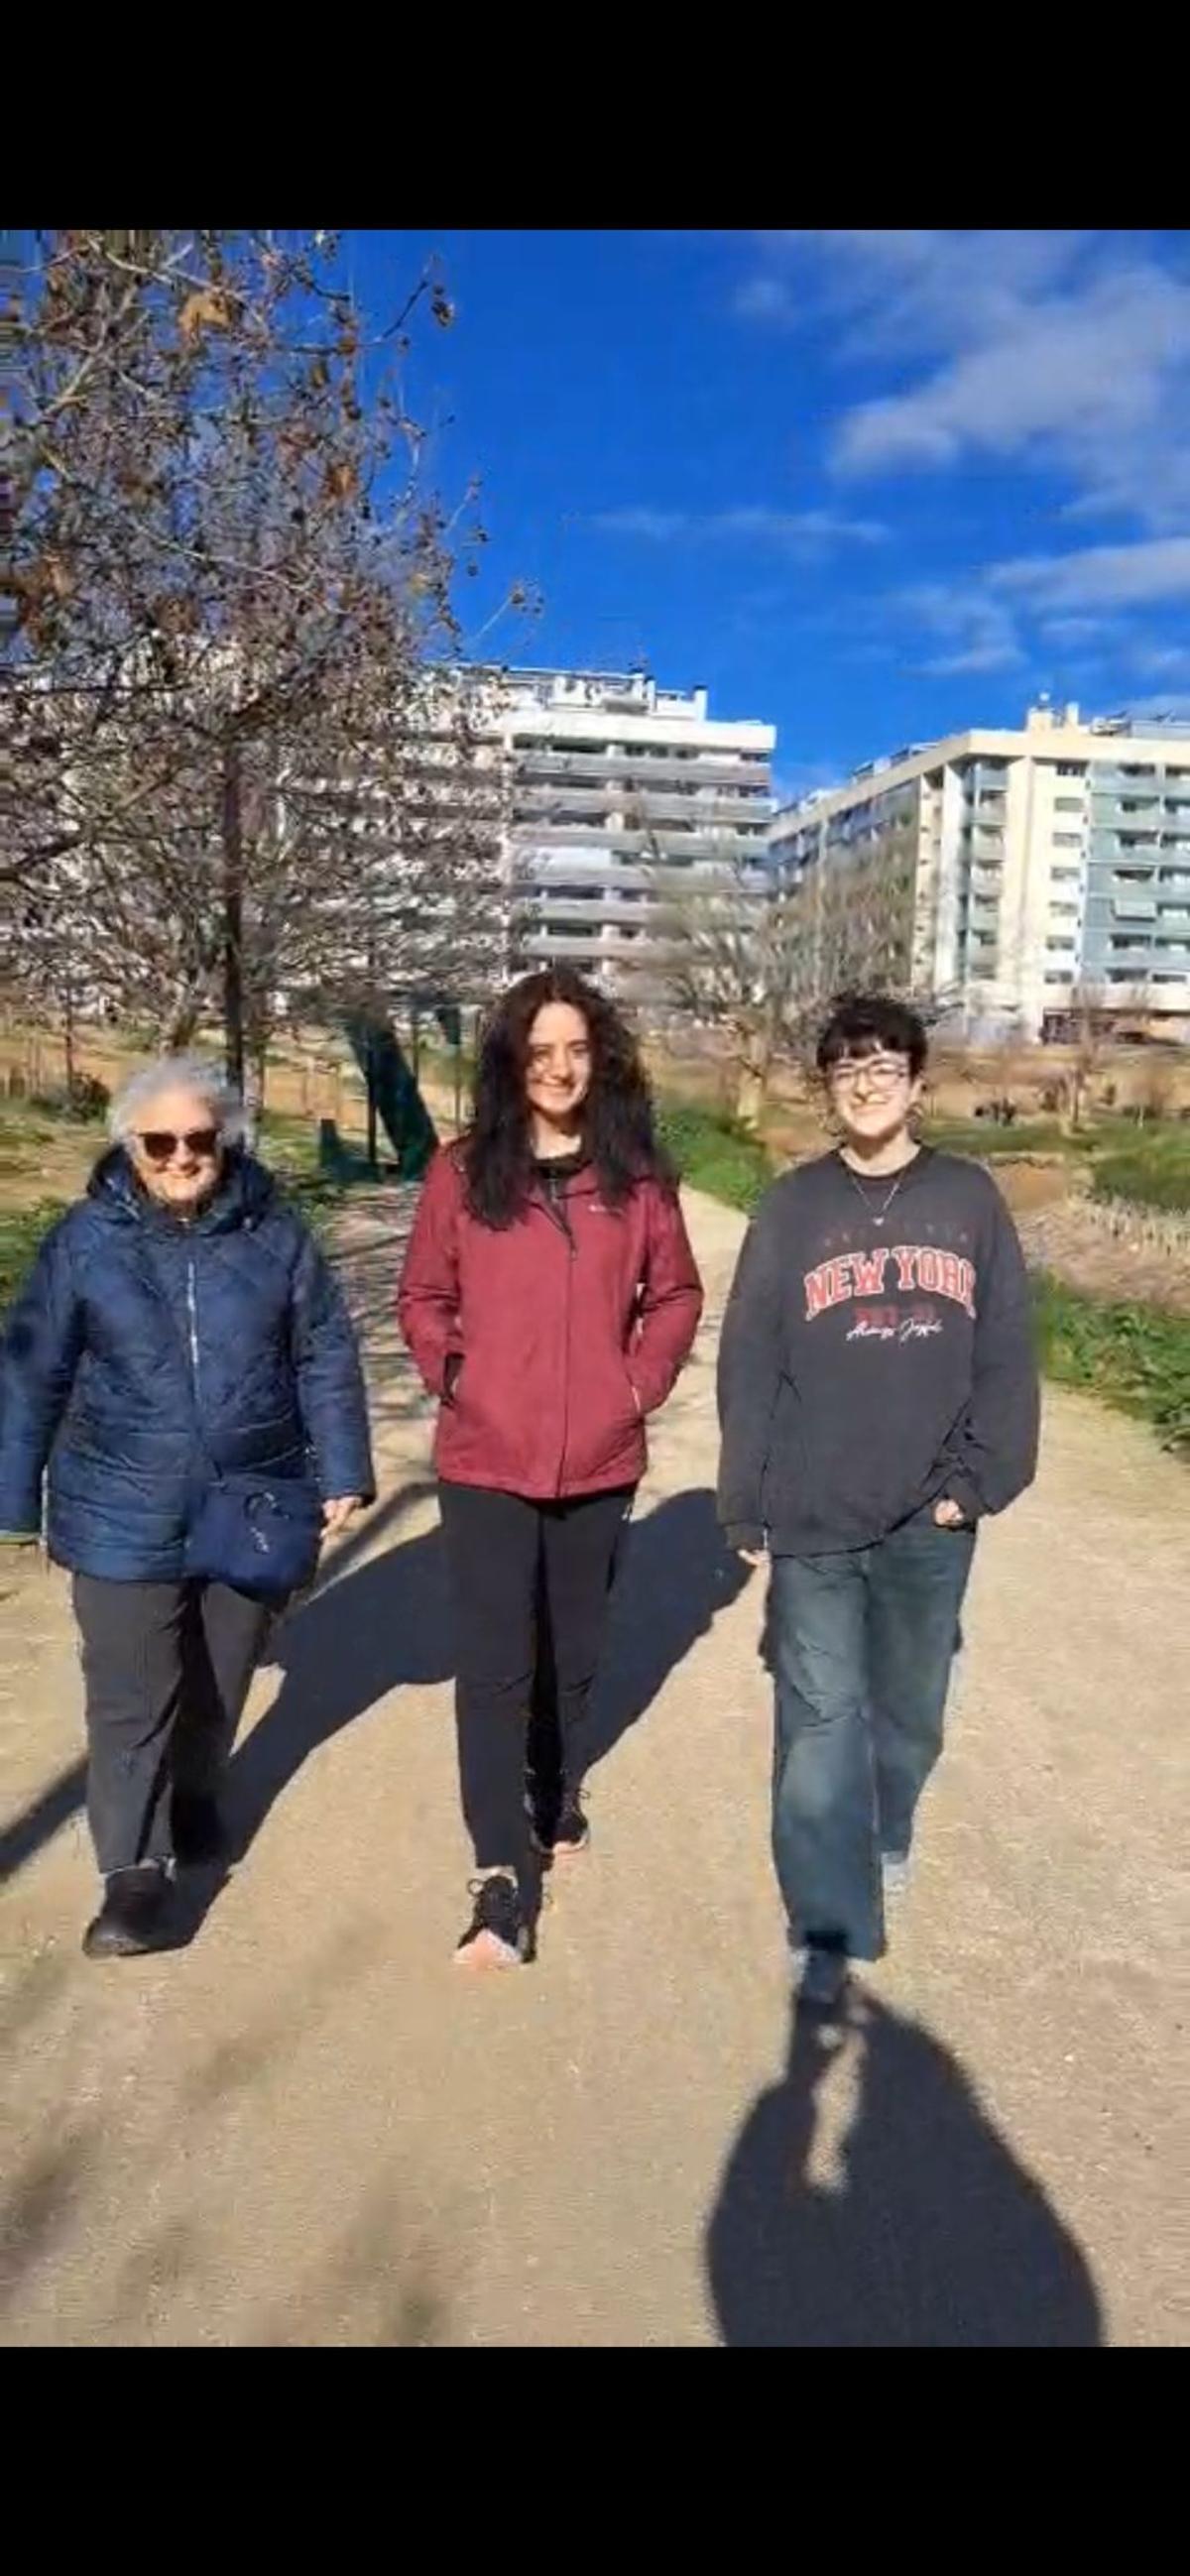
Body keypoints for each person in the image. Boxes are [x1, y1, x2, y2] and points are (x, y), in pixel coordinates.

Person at [0, 1055, 374, 1958]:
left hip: (252, 1497)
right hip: (118, 1504)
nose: (178, 1158)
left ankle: (199, 1791)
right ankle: (132, 1874)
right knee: (131, 1696)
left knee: (220, 1674)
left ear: (226, 1142)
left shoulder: (277, 1236)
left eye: (197, 1140)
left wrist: (343, 1470)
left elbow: (323, 1350)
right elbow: (33, 1371)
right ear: (129, 1146)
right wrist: (14, 1499)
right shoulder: (83, 1242)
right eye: (158, 1142)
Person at [717, 995, 1039, 2011]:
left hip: (928, 1518)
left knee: (908, 1714)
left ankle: (886, 1834)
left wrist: (975, 1488)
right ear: (826, 1090)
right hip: (816, 1513)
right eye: (846, 1069)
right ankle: (826, 1922)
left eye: (884, 1066)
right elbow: (751, 1358)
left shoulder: (969, 1201)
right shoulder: (791, 1209)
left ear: (917, 1084)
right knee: (818, 1725)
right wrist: (745, 1496)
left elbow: (1006, 1357)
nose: (865, 1083)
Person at [399, 966, 703, 1970]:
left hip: (599, 1460)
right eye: (540, 1051)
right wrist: (460, 1375)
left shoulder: (639, 1179)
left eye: (577, 1049)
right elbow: (422, 1296)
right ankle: (496, 1872)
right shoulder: (462, 1172)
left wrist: (637, 1385)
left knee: (573, 1655)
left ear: (600, 1057)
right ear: (512, 1061)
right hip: (486, 1456)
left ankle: (555, 1789)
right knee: (494, 1665)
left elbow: (677, 1296)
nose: (560, 1067)